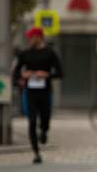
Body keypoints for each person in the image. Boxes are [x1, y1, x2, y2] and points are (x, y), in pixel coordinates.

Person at [11, 27, 63, 164]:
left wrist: (46, 75)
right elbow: (16, 74)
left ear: (39, 37)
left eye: (32, 37)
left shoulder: (50, 53)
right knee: (32, 121)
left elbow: (60, 73)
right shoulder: (25, 54)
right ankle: (36, 153)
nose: (29, 40)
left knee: (45, 119)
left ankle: (44, 130)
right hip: (30, 92)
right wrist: (22, 76)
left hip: (45, 92)